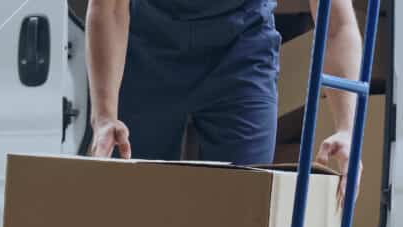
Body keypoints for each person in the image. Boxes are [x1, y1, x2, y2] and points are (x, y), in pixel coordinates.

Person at [86, 0, 363, 192]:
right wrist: (104, 116)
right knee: (129, 199)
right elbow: (108, 8)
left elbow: (336, 24)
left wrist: (347, 129)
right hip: (148, 48)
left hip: (241, 52)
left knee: (246, 203)